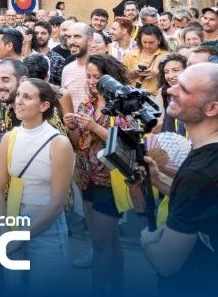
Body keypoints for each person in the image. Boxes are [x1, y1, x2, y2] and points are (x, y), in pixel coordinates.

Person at [140, 64, 218, 295]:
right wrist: (158, 179)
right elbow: (204, 203)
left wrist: (147, 240)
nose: (170, 90)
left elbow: (166, 263)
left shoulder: (200, 174)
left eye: (184, 89)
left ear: (212, 108)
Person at [0, 78, 74, 288]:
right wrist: (5, 231)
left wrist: (20, 238)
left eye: (27, 97)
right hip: (12, 222)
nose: (18, 101)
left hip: (46, 228)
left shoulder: (59, 143)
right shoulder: (9, 138)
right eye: (18, 95)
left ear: (44, 106)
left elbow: (57, 203)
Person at [64, 54, 133, 293]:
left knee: (102, 242)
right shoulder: (87, 104)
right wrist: (71, 127)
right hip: (87, 177)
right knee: (106, 239)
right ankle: (117, 285)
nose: (93, 81)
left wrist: (94, 126)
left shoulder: (123, 104)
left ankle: (99, 288)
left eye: (98, 77)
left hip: (111, 179)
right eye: (89, 76)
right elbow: (79, 144)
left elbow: (124, 142)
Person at [122, 24, 169, 100]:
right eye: (144, 42)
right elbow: (120, 77)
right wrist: (133, 73)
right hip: (132, 97)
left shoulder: (166, 56)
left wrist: (158, 73)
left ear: (159, 40)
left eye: (151, 42)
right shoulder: (130, 55)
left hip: (154, 98)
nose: (147, 46)